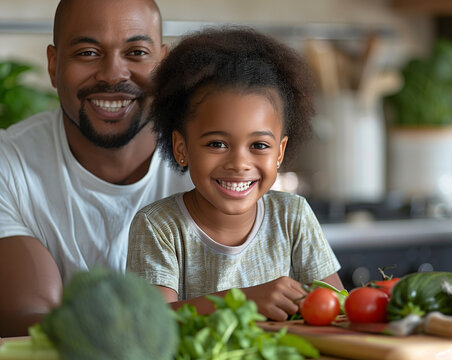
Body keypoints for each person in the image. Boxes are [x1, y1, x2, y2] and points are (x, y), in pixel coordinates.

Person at [0, 0, 192, 336]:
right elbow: (26, 318)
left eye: (136, 53)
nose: (112, 74)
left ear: (162, 63)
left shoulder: (212, 159)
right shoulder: (10, 163)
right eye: (88, 52)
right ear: (53, 64)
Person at [126, 26, 344, 321]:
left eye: (259, 145)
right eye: (217, 143)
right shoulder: (159, 226)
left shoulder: (293, 216)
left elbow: (337, 311)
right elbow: (151, 320)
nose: (239, 163)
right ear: (181, 147)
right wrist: (241, 301)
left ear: (279, 153)